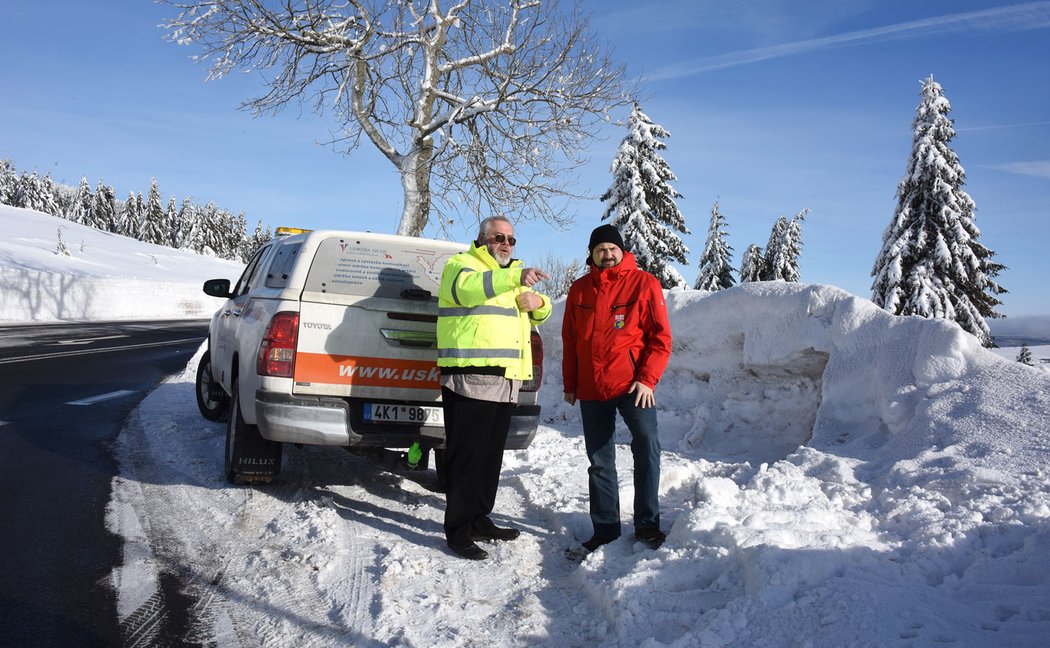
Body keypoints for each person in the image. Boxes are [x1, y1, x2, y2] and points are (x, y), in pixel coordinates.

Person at [437, 215, 552, 560]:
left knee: (490, 457)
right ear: (482, 239)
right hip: (471, 376)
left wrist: (539, 304)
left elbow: (538, 314)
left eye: (511, 240)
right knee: (467, 457)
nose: (505, 244)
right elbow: (468, 290)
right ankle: (457, 530)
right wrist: (514, 277)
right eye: (499, 238)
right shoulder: (462, 265)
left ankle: (479, 518)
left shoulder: (512, 274)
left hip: (506, 378)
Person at [562, 224, 672, 552]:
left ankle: (647, 524)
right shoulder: (579, 290)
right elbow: (571, 341)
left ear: (622, 251)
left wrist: (647, 379)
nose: (607, 254)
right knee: (599, 460)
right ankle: (606, 528)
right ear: (592, 254)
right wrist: (571, 383)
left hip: (633, 386)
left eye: (612, 248)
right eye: (600, 250)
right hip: (593, 388)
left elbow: (661, 338)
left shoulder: (644, 284)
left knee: (647, 449)